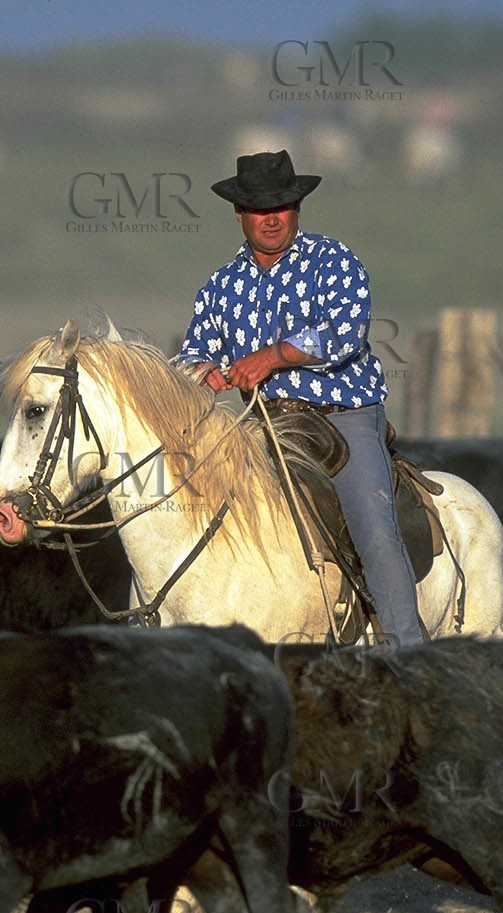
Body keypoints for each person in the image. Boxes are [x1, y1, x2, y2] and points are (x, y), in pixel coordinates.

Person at [176, 149, 426, 646]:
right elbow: (191, 352)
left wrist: (268, 358)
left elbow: (344, 334)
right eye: (260, 209)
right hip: (263, 424)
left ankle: (408, 653)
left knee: (374, 527)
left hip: (344, 419)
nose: (272, 218)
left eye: (282, 206)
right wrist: (207, 373)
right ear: (240, 215)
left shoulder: (334, 261)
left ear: (297, 209)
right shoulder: (221, 286)